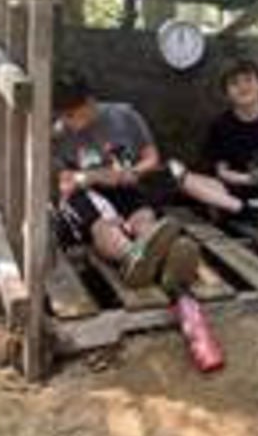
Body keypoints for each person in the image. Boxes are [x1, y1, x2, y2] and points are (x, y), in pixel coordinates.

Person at [52, 75, 200, 291]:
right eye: (62, 115)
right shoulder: (58, 133)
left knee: (143, 217)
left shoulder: (124, 116)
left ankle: (161, 258)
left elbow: (151, 158)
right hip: (89, 195)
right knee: (102, 225)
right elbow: (65, 183)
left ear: (90, 102)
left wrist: (132, 172)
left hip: (127, 185)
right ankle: (132, 258)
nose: (67, 121)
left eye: (72, 114)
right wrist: (94, 177)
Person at [201, 59, 258, 227]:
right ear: (226, 93)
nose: (243, 87)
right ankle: (255, 212)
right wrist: (250, 179)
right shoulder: (220, 125)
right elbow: (222, 172)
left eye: (248, 80)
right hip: (238, 194)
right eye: (234, 83)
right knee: (191, 180)